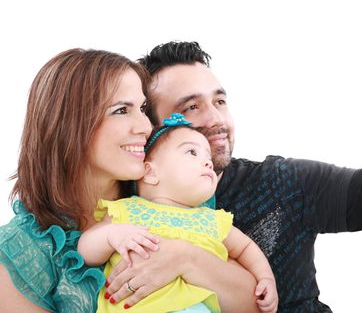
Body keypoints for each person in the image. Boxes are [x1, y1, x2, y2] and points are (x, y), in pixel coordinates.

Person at [102, 39, 362, 312]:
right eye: (191, 107)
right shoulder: (120, 207)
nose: (216, 119)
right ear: (151, 128)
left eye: (220, 100)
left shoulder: (283, 182)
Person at [0, 48, 258, 312]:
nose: (146, 126)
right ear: (69, 125)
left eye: (143, 108)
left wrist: (186, 258)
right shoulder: (19, 252)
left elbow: (255, 305)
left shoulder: (170, 188)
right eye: (122, 110)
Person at [78, 113, 278, 313]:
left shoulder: (212, 220)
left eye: (208, 157)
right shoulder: (126, 210)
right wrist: (111, 235)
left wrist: (265, 278)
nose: (208, 162)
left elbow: (246, 249)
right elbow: (85, 251)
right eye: (192, 152)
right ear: (150, 172)